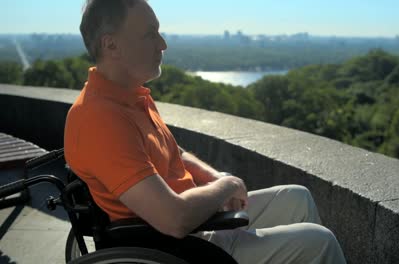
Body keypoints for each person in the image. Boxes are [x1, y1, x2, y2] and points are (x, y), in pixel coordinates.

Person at [64, 0, 347, 263]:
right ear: (111, 45)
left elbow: (175, 154)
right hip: (178, 246)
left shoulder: (130, 96)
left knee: (297, 197)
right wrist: (226, 187)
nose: (162, 44)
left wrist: (216, 178)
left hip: (197, 220)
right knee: (320, 242)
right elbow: (173, 219)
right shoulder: (100, 119)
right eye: (150, 34)